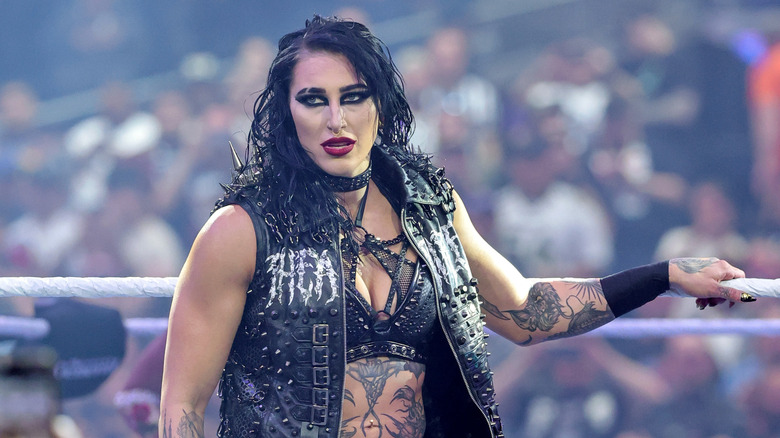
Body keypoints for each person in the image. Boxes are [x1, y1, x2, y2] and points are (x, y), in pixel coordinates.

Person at [159, 15, 753, 438]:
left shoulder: (432, 211)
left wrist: (665, 276)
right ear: (288, 115)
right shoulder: (239, 232)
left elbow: (526, 312)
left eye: (353, 96)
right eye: (314, 99)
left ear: (381, 105)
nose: (335, 118)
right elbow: (181, 408)